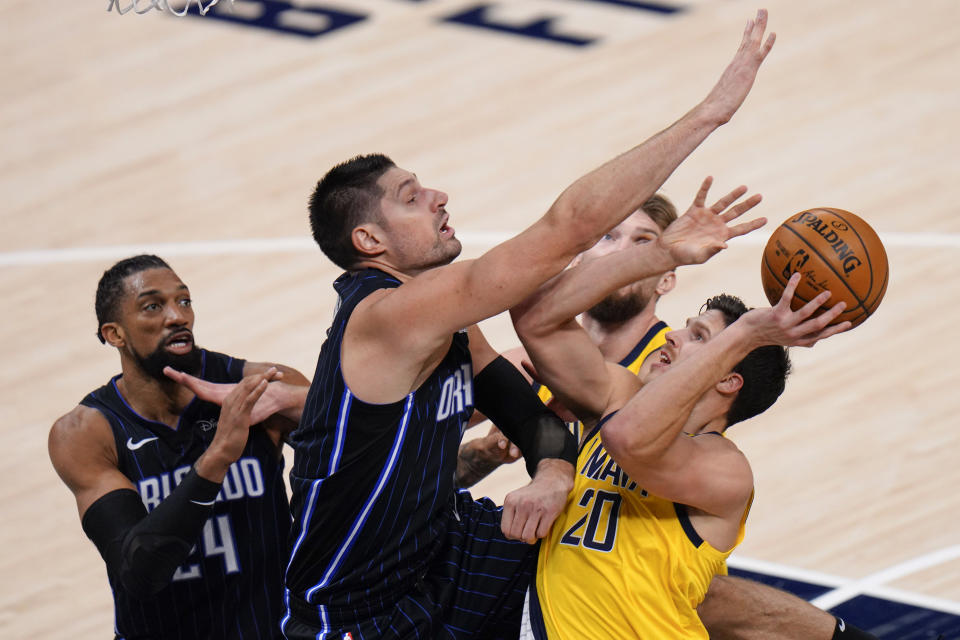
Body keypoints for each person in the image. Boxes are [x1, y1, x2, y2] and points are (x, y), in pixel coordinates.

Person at [283, 11, 776, 638]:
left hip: (446, 556)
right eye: (410, 196)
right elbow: (565, 229)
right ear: (368, 240)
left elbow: (533, 419)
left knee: (611, 569)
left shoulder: (449, 327)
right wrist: (711, 112)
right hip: (356, 605)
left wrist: (552, 472)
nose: (437, 195)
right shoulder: (388, 315)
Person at [509, 178, 851, 638]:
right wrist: (662, 254)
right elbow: (536, 314)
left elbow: (630, 438)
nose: (672, 335)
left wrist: (746, 335)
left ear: (728, 377)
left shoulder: (725, 470)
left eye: (699, 337)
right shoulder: (619, 392)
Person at [48, 255, 310, 640]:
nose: (177, 316)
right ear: (115, 334)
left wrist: (298, 402)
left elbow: (366, 452)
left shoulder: (263, 386)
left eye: (184, 301)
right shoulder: (87, 433)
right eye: (153, 306)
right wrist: (217, 457)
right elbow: (139, 572)